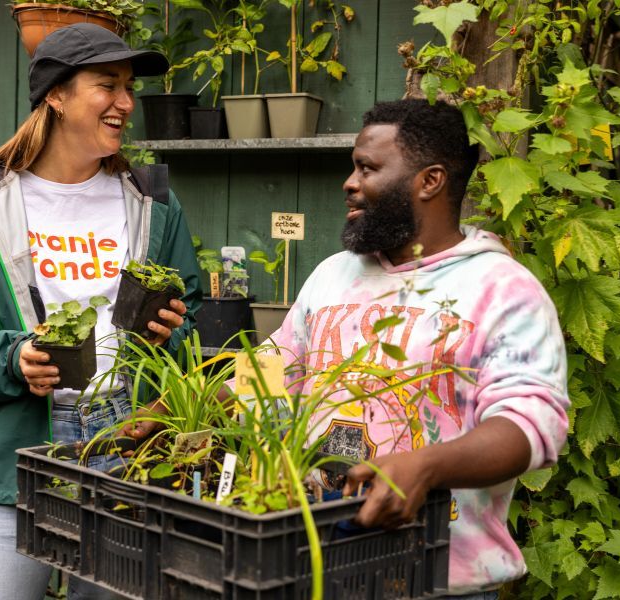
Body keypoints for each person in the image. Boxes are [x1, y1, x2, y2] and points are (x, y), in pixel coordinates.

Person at [123, 98, 569, 598]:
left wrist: (426, 466)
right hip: (315, 559)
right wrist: (178, 411)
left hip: (436, 579)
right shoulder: (335, 273)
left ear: (430, 181)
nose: (350, 183)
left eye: (368, 168)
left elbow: (531, 426)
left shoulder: (502, 288)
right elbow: (277, 369)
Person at [0, 23, 201, 600]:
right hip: (7, 464)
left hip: (125, 453)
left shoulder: (154, 203)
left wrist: (172, 329)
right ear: (56, 96)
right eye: (106, 85)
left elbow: (194, 317)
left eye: (129, 87)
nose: (125, 102)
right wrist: (13, 358)